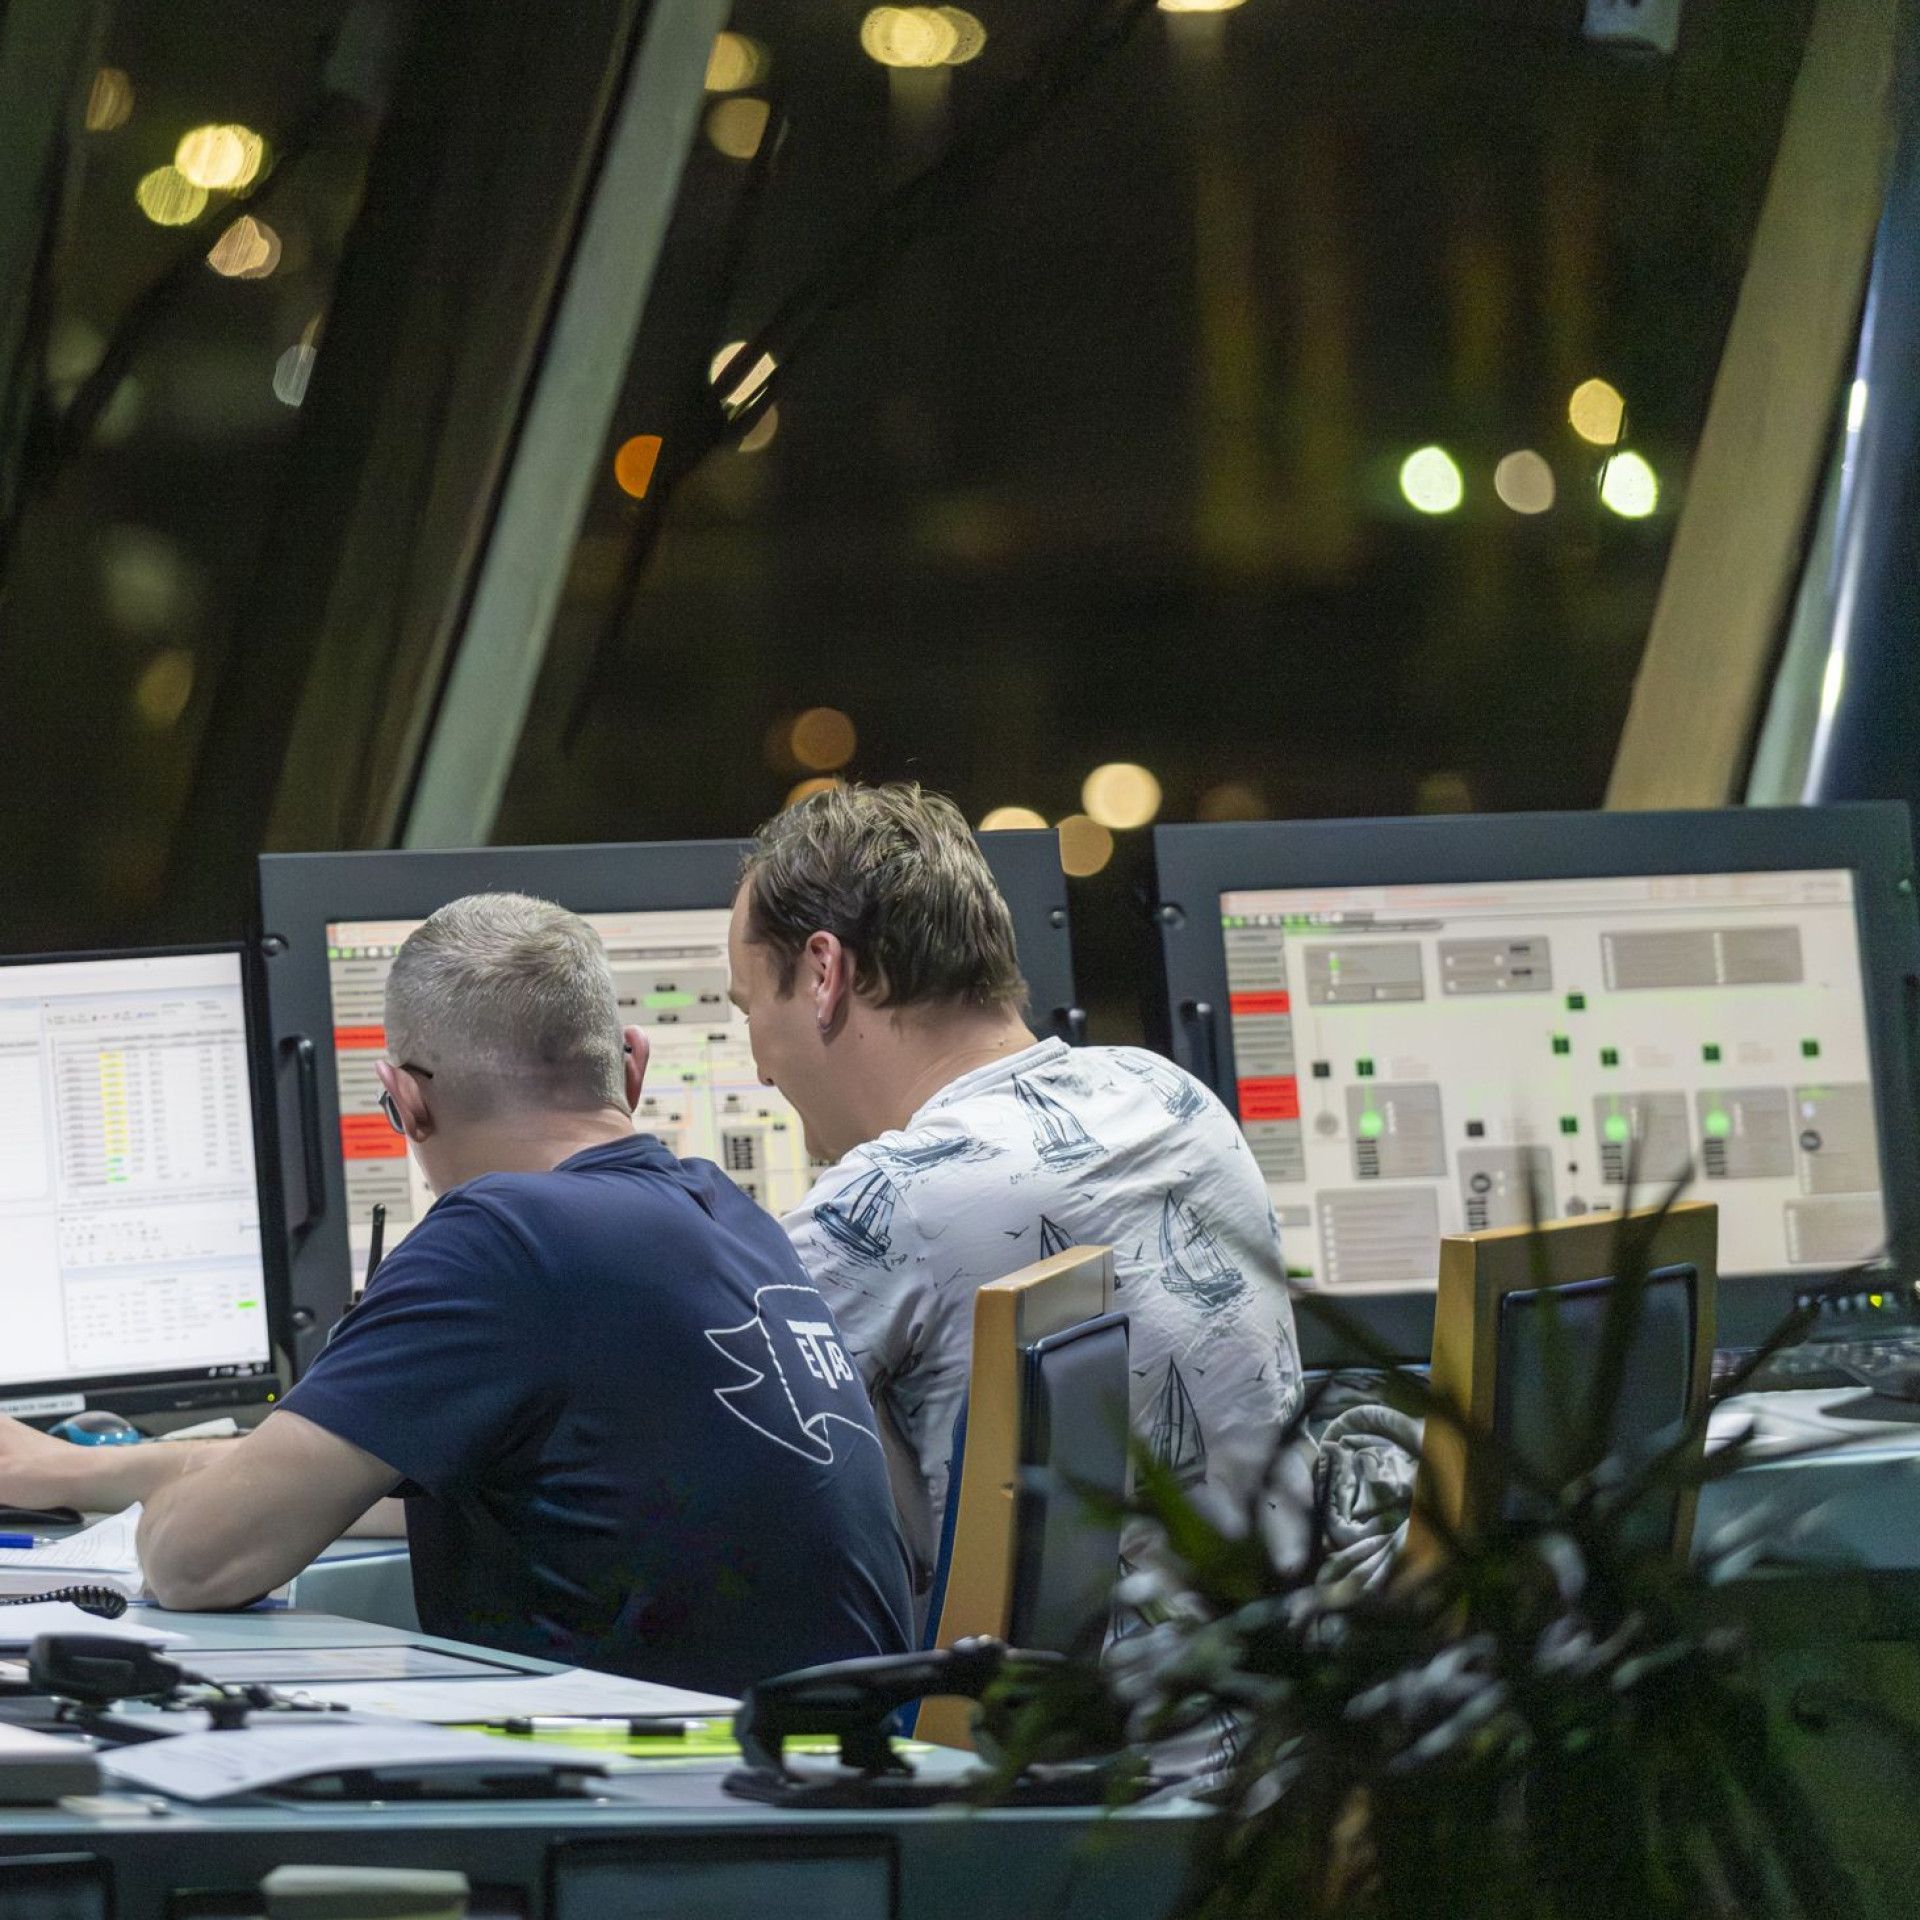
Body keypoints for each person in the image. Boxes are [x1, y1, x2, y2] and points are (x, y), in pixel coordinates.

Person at [0, 893, 911, 1696]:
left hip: (672, 1822)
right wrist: (74, 1472)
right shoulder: (728, 1214)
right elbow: (366, 1474)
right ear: (630, 1068)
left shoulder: (502, 1235)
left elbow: (198, 1562)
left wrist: (165, 1519)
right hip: (826, 1793)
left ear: (405, 1102)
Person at [728, 783, 1302, 1586]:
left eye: (750, 1006)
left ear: (824, 973)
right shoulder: (1174, 1098)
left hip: (1052, 1712)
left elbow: (686, 1462)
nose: (758, 1065)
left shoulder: (883, 1203)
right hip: (1280, 1681)